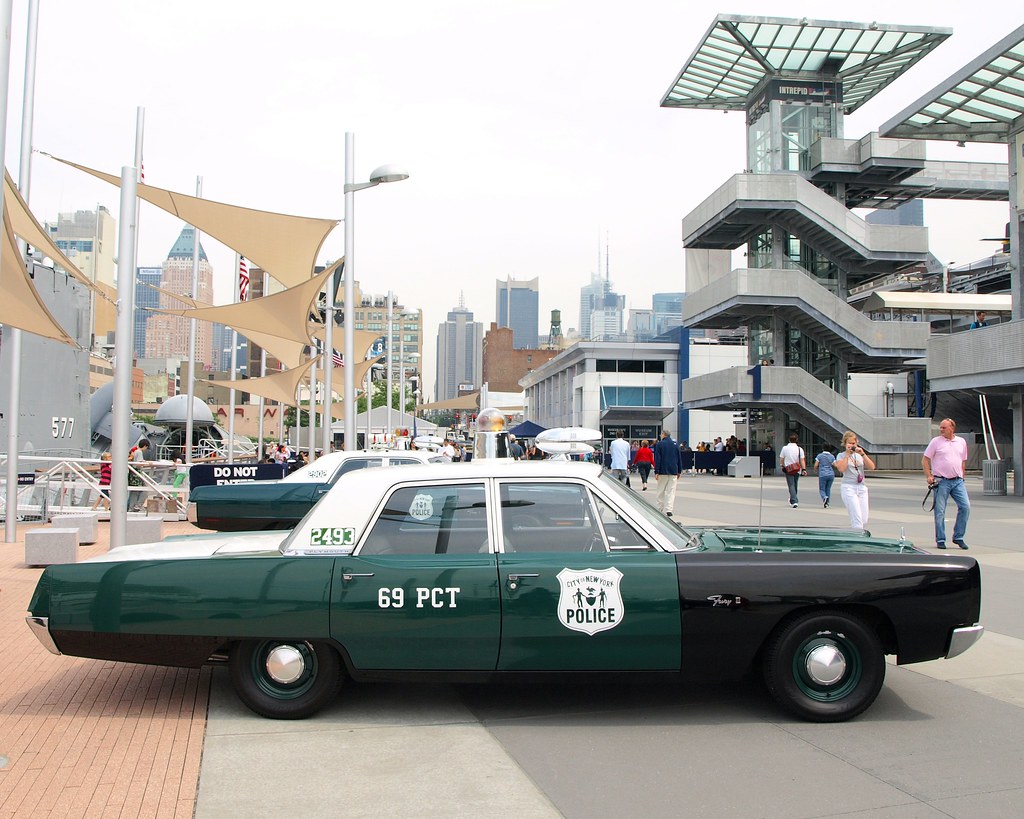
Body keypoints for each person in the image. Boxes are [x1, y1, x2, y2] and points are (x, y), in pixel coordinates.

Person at [922, 418, 971, 549]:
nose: (941, 430)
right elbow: (925, 459)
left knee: (965, 506)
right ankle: (941, 539)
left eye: (944, 427)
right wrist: (929, 476)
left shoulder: (961, 441)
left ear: (952, 428)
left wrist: (962, 476)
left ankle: (958, 537)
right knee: (940, 511)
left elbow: (963, 461)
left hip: (957, 481)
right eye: (941, 427)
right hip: (941, 480)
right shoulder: (936, 442)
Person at [834, 432, 875, 529]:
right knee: (856, 519)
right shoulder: (841, 455)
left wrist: (863, 454)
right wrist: (847, 455)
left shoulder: (859, 455)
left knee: (863, 519)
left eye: (854, 443)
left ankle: (857, 534)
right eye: (849, 443)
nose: (852, 445)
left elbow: (872, 467)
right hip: (849, 488)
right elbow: (841, 469)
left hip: (861, 487)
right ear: (845, 444)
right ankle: (858, 539)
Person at [653, 429, 683, 516]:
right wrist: (679, 471)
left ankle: (660, 508)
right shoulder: (675, 444)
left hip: (663, 470)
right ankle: (669, 509)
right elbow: (679, 458)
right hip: (673, 470)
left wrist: (656, 471)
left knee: (661, 490)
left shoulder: (660, 444)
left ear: (663, 434)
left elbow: (658, 459)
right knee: (671, 491)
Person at [779, 434, 806, 508]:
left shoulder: (785, 448)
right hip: (797, 469)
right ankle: (793, 499)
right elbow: (802, 460)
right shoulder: (799, 449)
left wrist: (782, 465)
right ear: (797, 440)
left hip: (788, 469)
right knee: (795, 484)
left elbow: (781, 459)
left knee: (791, 485)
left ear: (789, 440)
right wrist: (804, 469)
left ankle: (794, 501)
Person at [128, 438, 150, 511]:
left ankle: (131, 507)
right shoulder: (139, 452)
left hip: (133, 473)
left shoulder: (135, 451)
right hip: (137, 473)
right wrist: (147, 464)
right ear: (145, 446)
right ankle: (138, 505)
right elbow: (138, 464)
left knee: (134, 491)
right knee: (144, 490)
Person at [813, 444, 836, 508]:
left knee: (822, 489)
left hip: (822, 474)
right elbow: (835, 465)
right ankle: (827, 503)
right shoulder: (832, 456)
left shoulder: (820, 456)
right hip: (831, 474)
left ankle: (824, 497)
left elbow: (816, 465)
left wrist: (815, 470)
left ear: (823, 448)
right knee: (828, 489)